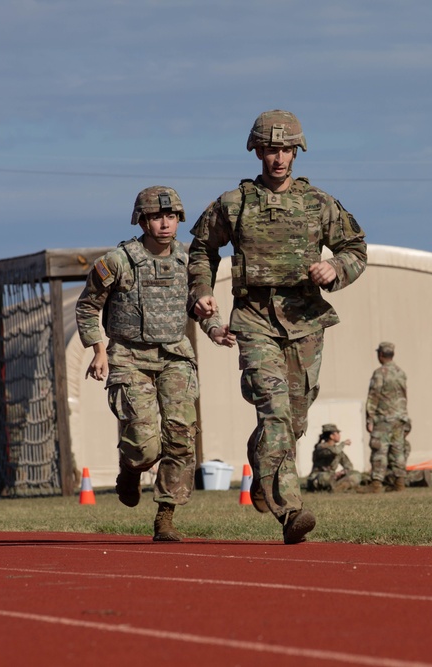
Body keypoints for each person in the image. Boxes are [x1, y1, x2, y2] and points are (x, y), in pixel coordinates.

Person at [188, 110, 367, 544]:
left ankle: (261, 461)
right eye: (270, 149)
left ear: (297, 151)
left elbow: (356, 249)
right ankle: (291, 511)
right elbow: (200, 249)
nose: (279, 158)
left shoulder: (318, 203)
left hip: (306, 321)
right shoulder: (235, 203)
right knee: (275, 409)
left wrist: (334, 267)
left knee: (295, 422)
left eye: (286, 149)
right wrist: (202, 292)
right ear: (257, 151)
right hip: (253, 319)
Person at [76, 186, 227, 542]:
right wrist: (98, 349)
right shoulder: (118, 261)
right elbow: (87, 306)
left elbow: (198, 303)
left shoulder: (190, 261)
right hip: (129, 357)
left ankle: (165, 517)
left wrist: (214, 328)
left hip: (175, 356)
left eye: (171, 216)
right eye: (157, 217)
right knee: (145, 445)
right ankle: (131, 469)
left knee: (181, 436)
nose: (164, 224)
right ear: (142, 220)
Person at [363, 341, 409, 493]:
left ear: (381, 354)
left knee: (379, 451)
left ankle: (376, 484)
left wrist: (369, 419)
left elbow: (373, 396)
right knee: (398, 451)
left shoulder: (380, 373)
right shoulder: (401, 372)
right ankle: (399, 482)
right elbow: (404, 397)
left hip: (383, 418)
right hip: (399, 418)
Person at [306, 424, 360, 492]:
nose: (339, 435)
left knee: (356, 474)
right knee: (324, 476)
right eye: (337, 433)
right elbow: (335, 451)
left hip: (332, 476)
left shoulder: (338, 450)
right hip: (318, 477)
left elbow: (349, 466)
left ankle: (337, 488)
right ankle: (339, 486)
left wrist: (342, 472)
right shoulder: (321, 447)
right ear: (331, 436)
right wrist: (343, 443)